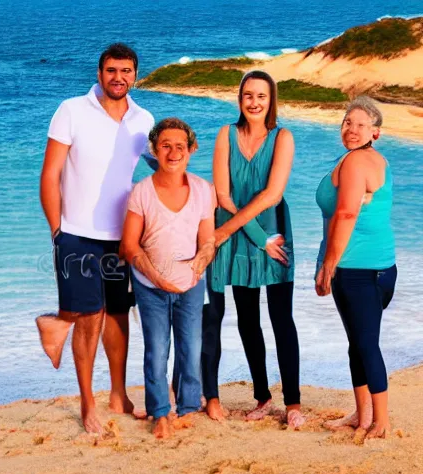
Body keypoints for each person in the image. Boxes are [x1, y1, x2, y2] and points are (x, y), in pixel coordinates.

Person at [36, 43, 155, 434]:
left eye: (126, 71)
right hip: (77, 235)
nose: (118, 77)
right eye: (111, 70)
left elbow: (161, 166)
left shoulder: (144, 120)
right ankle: (88, 403)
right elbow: (50, 174)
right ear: (99, 73)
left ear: (135, 75)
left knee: (119, 315)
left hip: (123, 238)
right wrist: (58, 231)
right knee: (89, 319)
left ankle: (118, 395)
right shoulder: (71, 110)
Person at [202, 70, 304, 428]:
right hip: (244, 235)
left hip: (273, 234)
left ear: (271, 99)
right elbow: (222, 195)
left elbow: (272, 195)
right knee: (247, 320)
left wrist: (253, 236)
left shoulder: (283, 137)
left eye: (261, 95)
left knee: (281, 320)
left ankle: (293, 402)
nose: (254, 102)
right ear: (240, 98)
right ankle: (262, 396)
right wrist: (252, 235)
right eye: (248, 95)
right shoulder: (225, 135)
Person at [121, 118, 215, 439]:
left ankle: (188, 408)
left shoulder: (204, 190)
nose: (173, 152)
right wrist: (156, 278)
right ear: (154, 149)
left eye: (180, 146)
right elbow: (129, 246)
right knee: (157, 350)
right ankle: (160, 412)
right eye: (165, 146)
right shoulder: (141, 192)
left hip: (190, 285)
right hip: (151, 287)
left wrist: (202, 260)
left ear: (191, 150)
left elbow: (208, 241)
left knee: (191, 347)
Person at [315, 96, 397, 439]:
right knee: (359, 343)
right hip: (382, 269)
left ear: (375, 132)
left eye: (361, 124)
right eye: (348, 122)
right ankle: (362, 416)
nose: (352, 129)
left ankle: (381, 422)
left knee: (365, 344)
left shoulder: (354, 163)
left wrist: (328, 266)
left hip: (357, 270)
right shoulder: (377, 160)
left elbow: (346, 214)